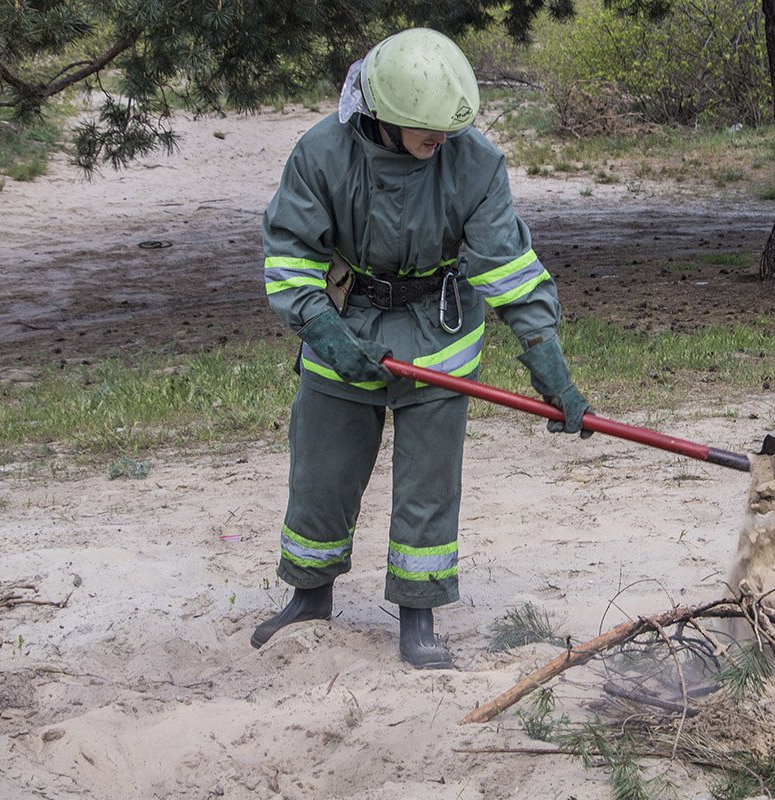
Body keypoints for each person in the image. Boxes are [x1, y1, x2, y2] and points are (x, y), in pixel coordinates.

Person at [252, 27, 592, 668]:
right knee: (321, 468)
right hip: (345, 321)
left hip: (440, 334)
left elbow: (509, 267)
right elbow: (291, 255)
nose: (441, 144)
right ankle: (309, 598)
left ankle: (418, 619)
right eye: (427, 132)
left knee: (429, 482)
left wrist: (551, 368)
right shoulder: (321, 153)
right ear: (386, 116)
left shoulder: (477, 163)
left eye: (449, 131)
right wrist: (325, 330)